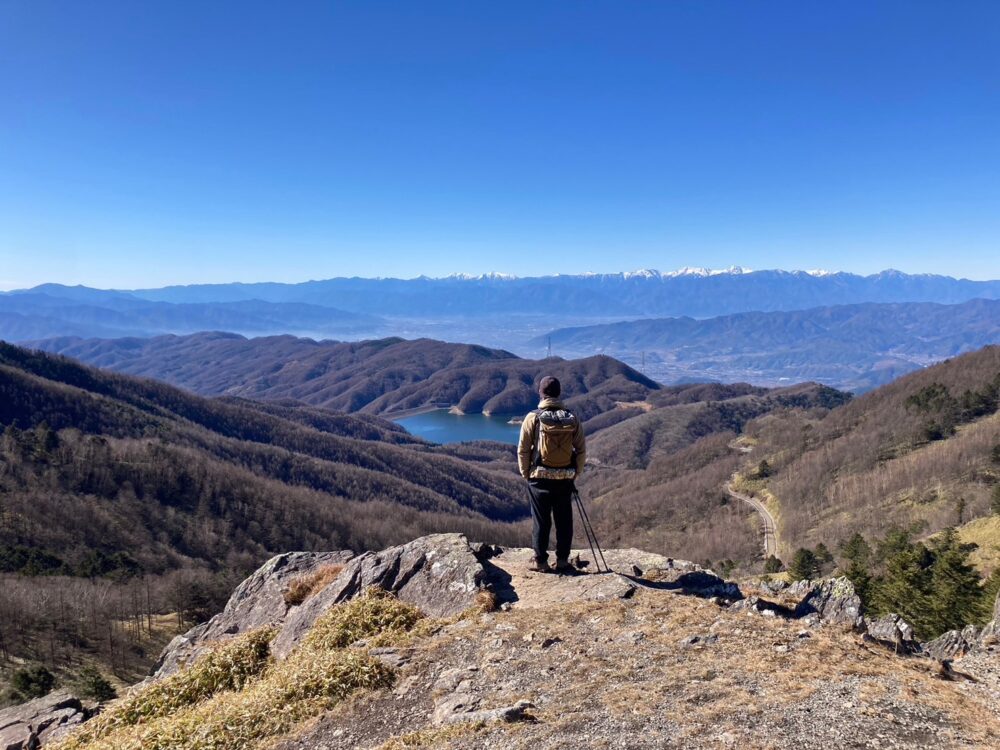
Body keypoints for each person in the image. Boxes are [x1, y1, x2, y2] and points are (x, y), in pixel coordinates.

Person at [517, 375, 586, 573]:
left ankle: (541, 562)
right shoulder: (571, 417)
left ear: (541, 393)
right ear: (559, 393)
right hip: (565, 477)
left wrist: (527, 474)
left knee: (541, 521)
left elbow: (523, 449)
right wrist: (575, 473)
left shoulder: (533, 417)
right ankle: (563, 560)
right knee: (564, 520)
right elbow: (581, 450)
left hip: (539, 478)